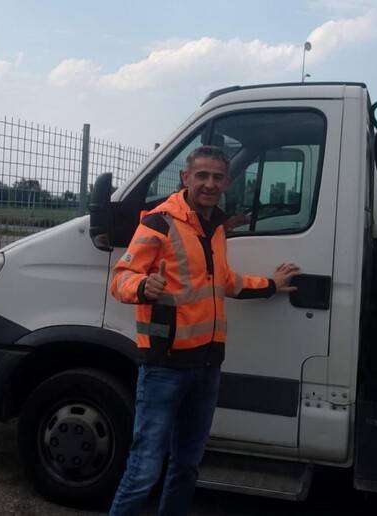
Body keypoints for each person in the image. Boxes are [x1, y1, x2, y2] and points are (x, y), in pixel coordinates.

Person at [108, 145, 300, 516]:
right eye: (202, 176)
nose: (209, 184)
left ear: (226, 183)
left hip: (208, 365)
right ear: (186, 178)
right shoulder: (160, 222)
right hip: (165, 366)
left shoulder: (215, 229)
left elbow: (224, 281)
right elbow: (121, 279)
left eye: (217, 177)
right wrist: (142, 285)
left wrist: (271, 284)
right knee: (144, 470)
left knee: (187, 466)